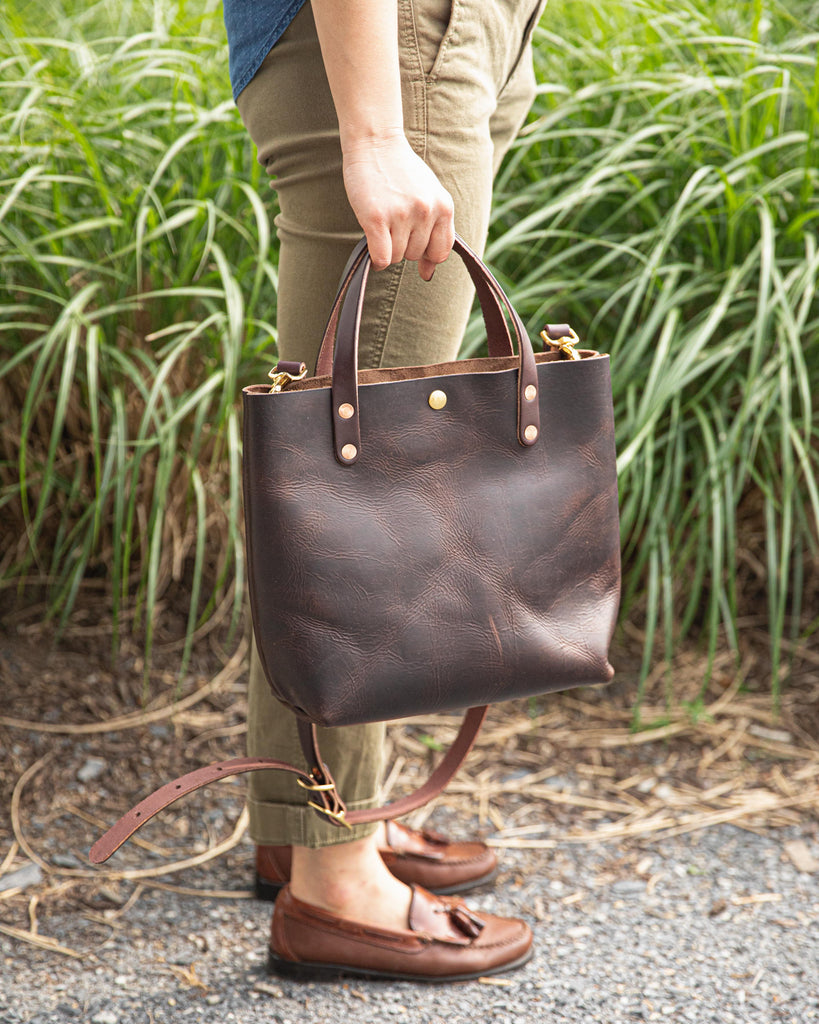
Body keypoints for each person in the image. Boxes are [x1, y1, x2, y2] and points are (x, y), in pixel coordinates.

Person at [223, 0, 547, 981]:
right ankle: (336, 882)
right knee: (361, 482)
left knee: (343, 461)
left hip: (444, 33)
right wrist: (374, 128)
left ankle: (311, 822)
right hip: (389, 35)